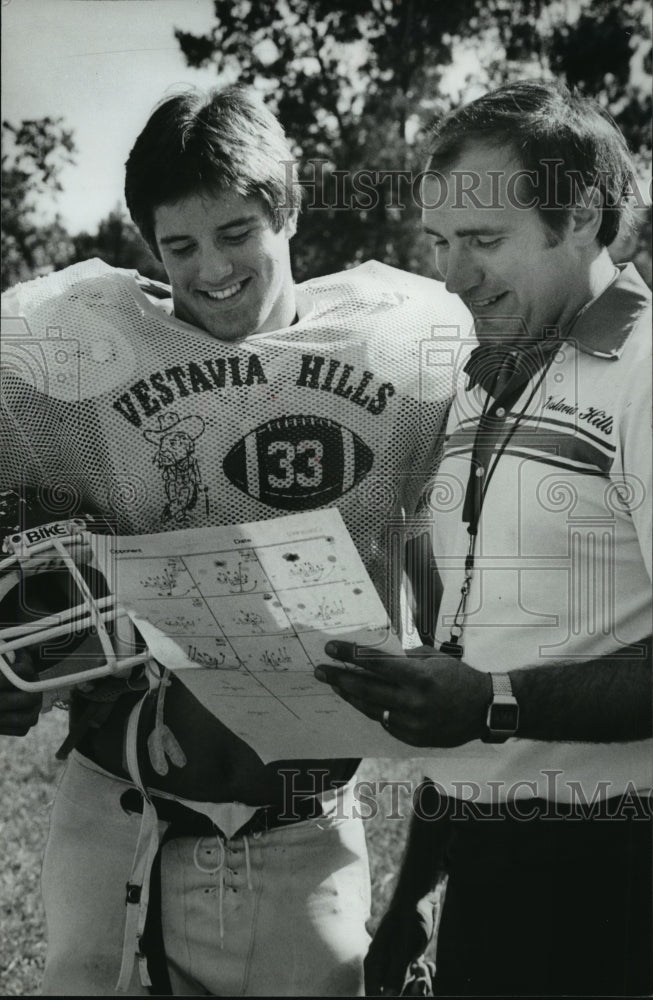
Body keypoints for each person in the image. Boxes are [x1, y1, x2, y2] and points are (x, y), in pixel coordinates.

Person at [0, 85, 470, 996]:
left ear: (287, 212)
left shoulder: (404, 340)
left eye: (236, 233)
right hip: (117, 806)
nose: (210, 269)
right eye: (179, 247)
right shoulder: (84, 350)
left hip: (301, 824)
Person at [316, 80, 653, 996]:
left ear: (580, 216)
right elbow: (474, 657)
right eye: (440, 244)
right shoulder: (479, 379)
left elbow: (487, 692)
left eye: (483, 242)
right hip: (484, 864)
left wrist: (495, 701)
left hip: (620, 874)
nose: (453, 277)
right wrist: (414, 894)